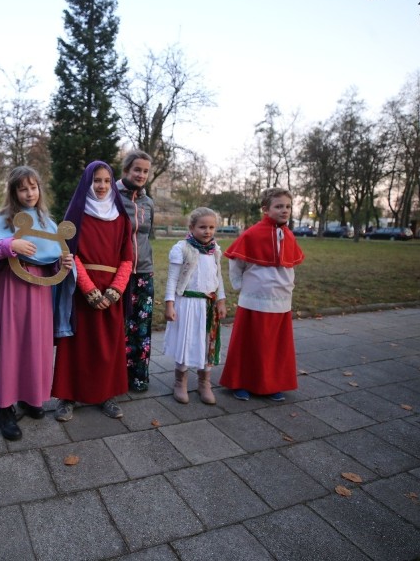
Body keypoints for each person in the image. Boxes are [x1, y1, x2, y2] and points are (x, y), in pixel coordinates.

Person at [0, 166, 75, 440]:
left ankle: (30, 398)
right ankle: (4, 408)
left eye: (33, 187)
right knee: (10, 343)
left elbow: (56, 254)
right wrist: (9, 246)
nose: (29, 193)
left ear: (39, 189)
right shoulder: (3, 220)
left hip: (40, 290)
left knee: (35, 343)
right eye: (22, 188)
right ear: (14, 191)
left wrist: (65, 263)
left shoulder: (47, 221)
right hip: (11, 287)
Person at [52, 160, 133, 422]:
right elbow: (68, 252)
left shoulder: (122, 219)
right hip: (81, 290)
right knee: (77, 345)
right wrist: (88, 289)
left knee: (107, 346)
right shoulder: (75, 216)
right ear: (87, 182)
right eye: (96, 180)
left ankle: (106, 394)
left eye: (107, 181)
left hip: (111, 293)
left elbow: (127, 258)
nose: (101, 186)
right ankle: (68, 396)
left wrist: (115, 290)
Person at [220, 187, 305, 402]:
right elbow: (235, 261)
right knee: (250, 342)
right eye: (278, 206)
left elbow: (290, 265)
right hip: (254, 297)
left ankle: (272, 384)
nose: (284, 210)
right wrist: (239, 285)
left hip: (281, 299)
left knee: (274, 345)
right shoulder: (252, 233)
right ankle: (241, 382)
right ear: (266, 209)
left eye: (287, 206)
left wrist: (289, 285)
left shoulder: (289, 235)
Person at [163, 207, 227, 405]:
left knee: (207, 342)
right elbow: (172, 279)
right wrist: (169, 305)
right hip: (187, 304)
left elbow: (218, 277)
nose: (207, 231)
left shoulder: (215, 250)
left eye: (211, 227)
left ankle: (204, 382)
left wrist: (221, 301)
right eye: (202, 227)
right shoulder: (182, 248)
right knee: (186, 340)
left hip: (208, 305)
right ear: (192, 227)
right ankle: (180, 382)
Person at [117, 150, 155, 393]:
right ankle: (115, 377)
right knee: (117, 326)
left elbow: (147, 235)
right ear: (126, 170)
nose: (141, 174)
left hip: (144, 272)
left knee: (140, 327)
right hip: (118, 271)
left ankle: (138, 377)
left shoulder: (148, 202)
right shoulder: (112, 197)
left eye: (145, 171)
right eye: (137, 169)